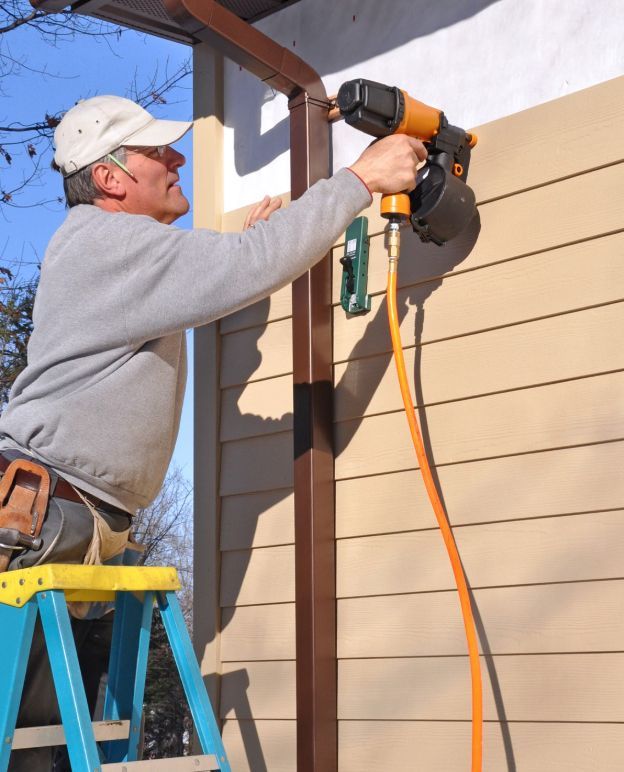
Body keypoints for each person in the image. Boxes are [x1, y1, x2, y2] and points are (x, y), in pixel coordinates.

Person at [0, 95, 426, 770]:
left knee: (40, 746)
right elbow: (237, 269)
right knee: (26, 744)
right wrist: (360, 180)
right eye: (156, 153)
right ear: (110, 179)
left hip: (70, 519)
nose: (176, 160)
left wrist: (251, 253)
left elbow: (221, 275)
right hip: (45, 518)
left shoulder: (115, 252)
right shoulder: (106, 242)